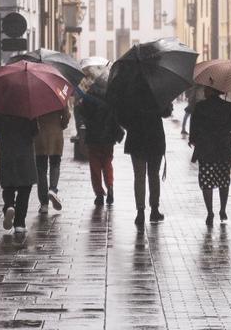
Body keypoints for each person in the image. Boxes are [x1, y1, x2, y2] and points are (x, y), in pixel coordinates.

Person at [116, 94, 172, 228]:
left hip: (136, 137)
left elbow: (121, 117)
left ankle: (140, 211)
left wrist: (132, 124)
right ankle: (154, 210)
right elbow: (167, 112)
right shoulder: (158, 88)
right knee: (153, 175)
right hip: (155, 137)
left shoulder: (129, 90)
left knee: (139, 176)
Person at [188, 87, 231, 226]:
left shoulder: (200, 106)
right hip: (224, 148)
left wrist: (192, 139)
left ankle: (210, 212)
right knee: (223, 179)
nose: (204, 91)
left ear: (211, 91)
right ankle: (223, 209)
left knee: (206, 180)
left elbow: (194, 126)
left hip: (206, 148)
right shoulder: (227, 106)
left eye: (206, 89)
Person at [80, 76, 123, 206]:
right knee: (107, 162)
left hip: (93, 137)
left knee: (95, 166)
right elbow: (117, 115)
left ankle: (99, 194)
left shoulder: (88, 96)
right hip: (108, 137)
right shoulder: (111, 96)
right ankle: (110, 186)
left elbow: (83, 114)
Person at [0, 112, 39, 238]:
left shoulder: (2, 107)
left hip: (7, 149)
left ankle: (9, 205)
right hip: (24, 151)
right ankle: (20, 223)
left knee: (8, 183)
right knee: (25, 187)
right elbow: (35, 131)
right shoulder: (29, 108)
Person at [35, 99, 71, 214]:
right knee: (55, 164)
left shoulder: (35, 97)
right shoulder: (58, 95)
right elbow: (66, 115)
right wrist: (62, 125)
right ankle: (53, 189)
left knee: (41, 170)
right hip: (55, 135)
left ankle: (44, 204)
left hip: (39, 136)